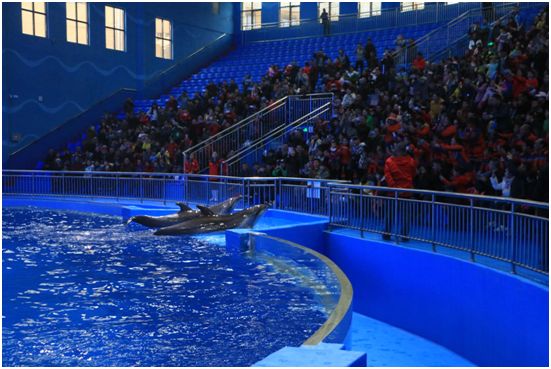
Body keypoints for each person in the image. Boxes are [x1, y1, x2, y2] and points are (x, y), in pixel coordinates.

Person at [382, 142, 417, 241]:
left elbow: (388, 178)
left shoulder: (389, 161)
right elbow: (413, 174)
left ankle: (387, 234)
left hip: (393, 192)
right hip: (407, 192)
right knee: (406, 216)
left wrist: (395, 188)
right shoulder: (411, 161)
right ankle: (404, 235)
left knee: (389, 214)